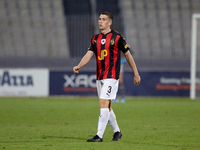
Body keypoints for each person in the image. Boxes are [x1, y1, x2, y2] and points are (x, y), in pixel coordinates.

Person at [73, 12, 141, 142]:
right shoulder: (95, 38)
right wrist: (79, 66)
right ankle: (117, 132)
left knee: (103, 102)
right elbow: (89, 54)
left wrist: (136, 73)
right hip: (100, 76)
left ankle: (99, 135)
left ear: (110, 22)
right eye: (99, 19)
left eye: (104, 19)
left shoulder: (118, 38)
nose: (100, 21)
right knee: (107, 107)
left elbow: (128, 55)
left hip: (112, 76)